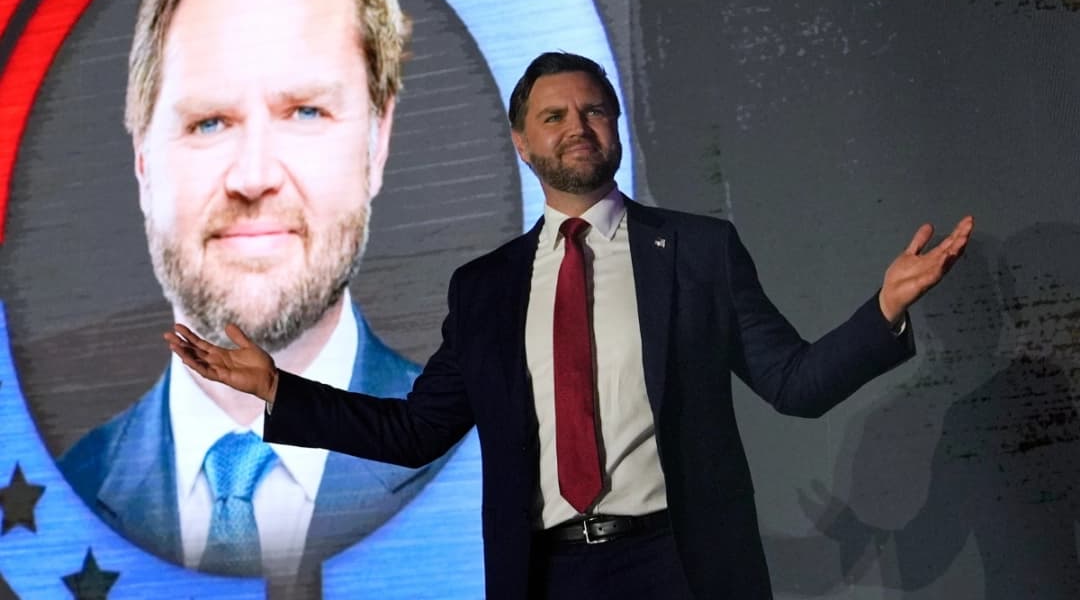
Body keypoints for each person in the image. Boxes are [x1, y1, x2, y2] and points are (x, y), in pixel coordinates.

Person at [168, 51, 974, 599]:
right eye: (553, 116)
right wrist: (280, 390)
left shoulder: (697, 251)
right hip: (549, 575)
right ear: (523, 144)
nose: (577, 126)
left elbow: (794, 384)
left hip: (681, 565)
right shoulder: (485, 290)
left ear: (616, 129)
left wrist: (884, 311)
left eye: (594, 111)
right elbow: (417, 430)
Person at [59, 0, 448, 584]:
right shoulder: (59, 501)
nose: (254, 175)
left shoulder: (488, 463)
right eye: (209, 122)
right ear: (144, 163)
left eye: (304, 111)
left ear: (377, 143)